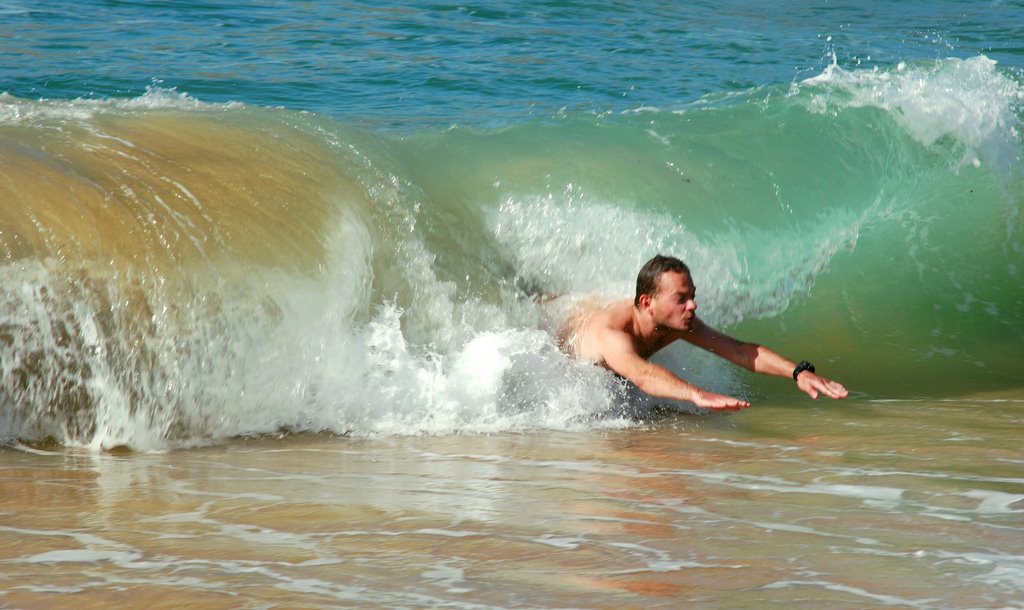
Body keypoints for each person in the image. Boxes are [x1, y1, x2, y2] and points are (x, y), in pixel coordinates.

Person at [557, 254, 848, 411]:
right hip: (565, 351)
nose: (693, 305)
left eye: (692, 295)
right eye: (681, 298)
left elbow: (740, 351)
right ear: (647, 303)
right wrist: (697, 395)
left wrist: (799, 372)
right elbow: (641, 375)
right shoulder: (613, 334)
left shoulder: (676, 323)